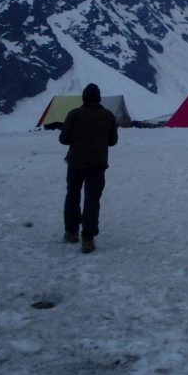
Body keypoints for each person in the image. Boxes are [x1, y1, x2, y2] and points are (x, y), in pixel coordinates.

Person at [59, 83, 118, 253]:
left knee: (72, 196)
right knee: (92, 200)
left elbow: (64, 139)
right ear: (99, 98)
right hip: (97, 164)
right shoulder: (107, 116)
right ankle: (88, 238)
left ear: (83, 98)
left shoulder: (74, 114)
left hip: (75, 163)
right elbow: (113, 141)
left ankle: (71, 231)